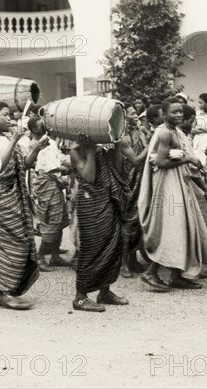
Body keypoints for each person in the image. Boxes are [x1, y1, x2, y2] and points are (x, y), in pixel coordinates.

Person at [138, 99, 207, 292]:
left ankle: (176, 275)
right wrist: (187, 158)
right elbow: (161, 163)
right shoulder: (164, 132)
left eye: (181, 112)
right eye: (174, 113)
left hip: (179, 181)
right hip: (168, 183)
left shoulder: (175, 131)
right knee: (173, 229)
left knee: (186, 227)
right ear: (164, 115)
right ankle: (150, 273)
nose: (179, 115)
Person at [0, 101, 44, 310]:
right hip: (0, 199)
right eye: (5, 115)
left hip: (14, 197)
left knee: (17, 242)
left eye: (10, 115)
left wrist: (37, 148)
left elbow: (25, 165)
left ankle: (0, 293)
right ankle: (3, 292)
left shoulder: (5, 139)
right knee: (9, 244)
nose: (10, 119)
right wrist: (14, 140)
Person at [70, 133, 132, 312]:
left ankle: (105, 292)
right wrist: (90, 151)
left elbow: (118, 170)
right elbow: (89, 177)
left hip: (108, 198)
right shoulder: (76, 151)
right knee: (92, 248)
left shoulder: (103, 149)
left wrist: (118, 146)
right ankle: (80, 297)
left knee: (112, 245)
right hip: (91, 202)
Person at [28, 117, 72, 269]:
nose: (45, 125)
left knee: (59, 220)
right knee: (51, 220)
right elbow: (48, 167)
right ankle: (40, 256)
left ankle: (55, 256)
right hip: (47, 184)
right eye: (41, 124)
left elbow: (56, 160)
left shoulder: (51, 142)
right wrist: (66, 168)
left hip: (54, 183)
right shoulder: (35, 145)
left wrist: (64, 165)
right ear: (34, 129)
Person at [119, 105, 149, 278]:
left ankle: (133, 260)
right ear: (123, 117)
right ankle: (123, 264)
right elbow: (136, 161)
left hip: (140, 183)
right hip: (128, 184)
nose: (136, 115)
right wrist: (150, 144)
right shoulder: (122, 138)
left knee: (137, 224)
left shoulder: (140, 131)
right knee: (127, 224)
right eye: (132, 114)